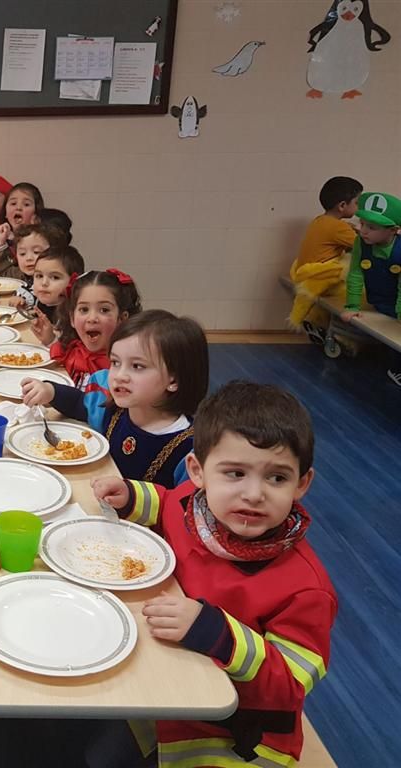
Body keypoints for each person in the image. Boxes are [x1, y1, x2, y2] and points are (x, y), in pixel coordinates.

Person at [91, 381, 336, 767]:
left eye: (277, 478)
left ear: (302, 484)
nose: (254, 494)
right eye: (235, 473)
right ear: (198, 471)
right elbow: (169, 502)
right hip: (164, 692)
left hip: (233, 739)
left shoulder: (307, 589)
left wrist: (216, 632)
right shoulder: (194, 503)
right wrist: (132, 496)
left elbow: (288, 686)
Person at [23, 310, 208, 488]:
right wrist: (50, 391)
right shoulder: (111, 408)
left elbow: (185, 508)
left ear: (173, 380)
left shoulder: (189, 449)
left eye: (137, 366)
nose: (119, 375)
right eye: (115, 362)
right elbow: (79, 404)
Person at [288, 176, 362, 342]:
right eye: (357, 203)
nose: (358, 208)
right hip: (320, 278)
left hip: (305, 274)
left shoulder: (320, 220)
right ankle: (344, 337)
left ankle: (315, 322)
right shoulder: (339, 227)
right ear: (342, 205)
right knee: (358, 288)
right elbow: (363, 245)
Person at [342, 191, 401, 386]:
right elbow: (356, 274)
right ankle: (396, 367)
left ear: (394, 230)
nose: (363, 230)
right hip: (382, 301)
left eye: (371, 227)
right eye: (362, 224)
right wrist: (352, 305)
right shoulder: (361, 243)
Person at [48, 269, 142, 389]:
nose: (92, 318)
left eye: (104, 310)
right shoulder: (69, 351)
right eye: (84, 309)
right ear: (72, 318)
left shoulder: (125, 371)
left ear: (122, 319)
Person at [28, 244, 85, 342]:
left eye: (55, 277)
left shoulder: (72, 315)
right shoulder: (42, 300)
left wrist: (52, 340)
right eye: (39, 276)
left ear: (73, 282)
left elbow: (70, 349)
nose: (44, 283)